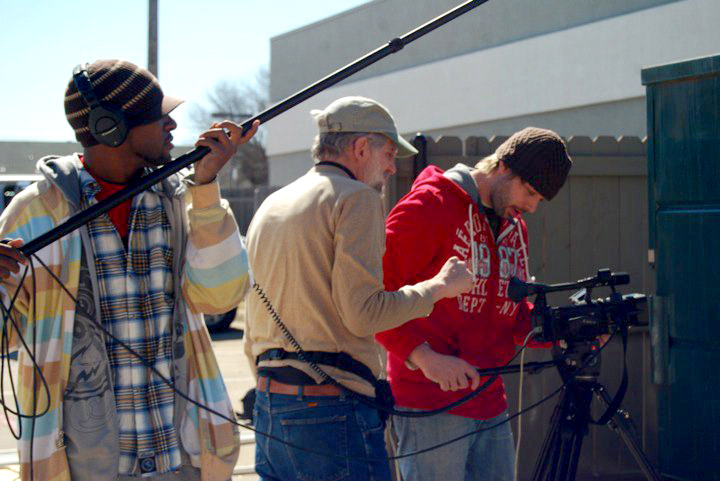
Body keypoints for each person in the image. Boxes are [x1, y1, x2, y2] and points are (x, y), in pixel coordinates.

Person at [0, 59, 259, 481]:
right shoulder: (35, 212)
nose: (172, 126)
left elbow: (222, 296)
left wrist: (207, 188)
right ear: (109, 128)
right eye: (160, 117)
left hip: (183, 461)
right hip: (81, 468)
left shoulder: (182, 199)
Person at [244, 96, 475, 481]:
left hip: (271, 406)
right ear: (361, 148)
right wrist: (438, 288)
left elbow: (254, 319)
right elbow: (363, 312)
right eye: (387, 152)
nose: (391, 166)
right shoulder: (357, 199)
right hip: (332, 409)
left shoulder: (272, 204)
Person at [375, 127, 572, 481]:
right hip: (430, 403)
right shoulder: (430, 204)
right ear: (503, 167)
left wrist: (566, 331)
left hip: (490, 401)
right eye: (529, 192)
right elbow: (372, 296)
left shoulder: (515, 226)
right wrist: (424, 358)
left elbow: (510, 315)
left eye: (539, 200)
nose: (531, 206)